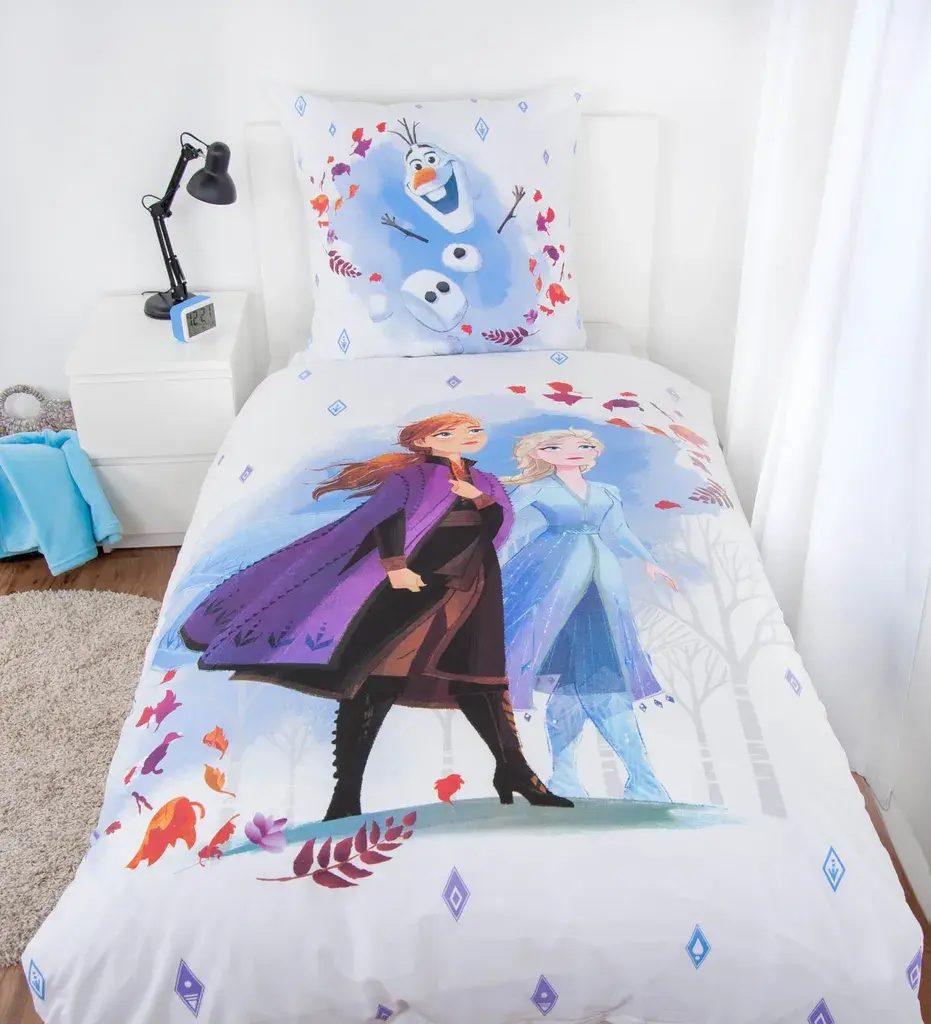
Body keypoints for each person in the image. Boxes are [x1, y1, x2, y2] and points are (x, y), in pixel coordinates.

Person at [181, 413, 572, 820]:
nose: (468, 436)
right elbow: (384, 521)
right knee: (378, 674)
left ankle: (514, 771)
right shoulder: (411, 478)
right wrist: (395, 566)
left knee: (479, 675)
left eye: (473, 429)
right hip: (418, 578)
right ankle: (346, 794)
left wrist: (477, 497)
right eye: (448, 432)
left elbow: (496, 526)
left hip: (474, 580)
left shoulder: (486, 481)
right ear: (424, 442)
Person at [500, 427, 677, 802]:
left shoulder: (606, 491)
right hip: (551, 581)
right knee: (585, 679)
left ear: (594, 452)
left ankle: (599, 778)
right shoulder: (536, 489)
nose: (573, 452)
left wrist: (650, 561)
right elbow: (504, 527)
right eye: (556, 447)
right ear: (541, 454)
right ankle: (633, 779)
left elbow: (620, 530)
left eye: (583, 446)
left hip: (602, 583)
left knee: (586, 679)